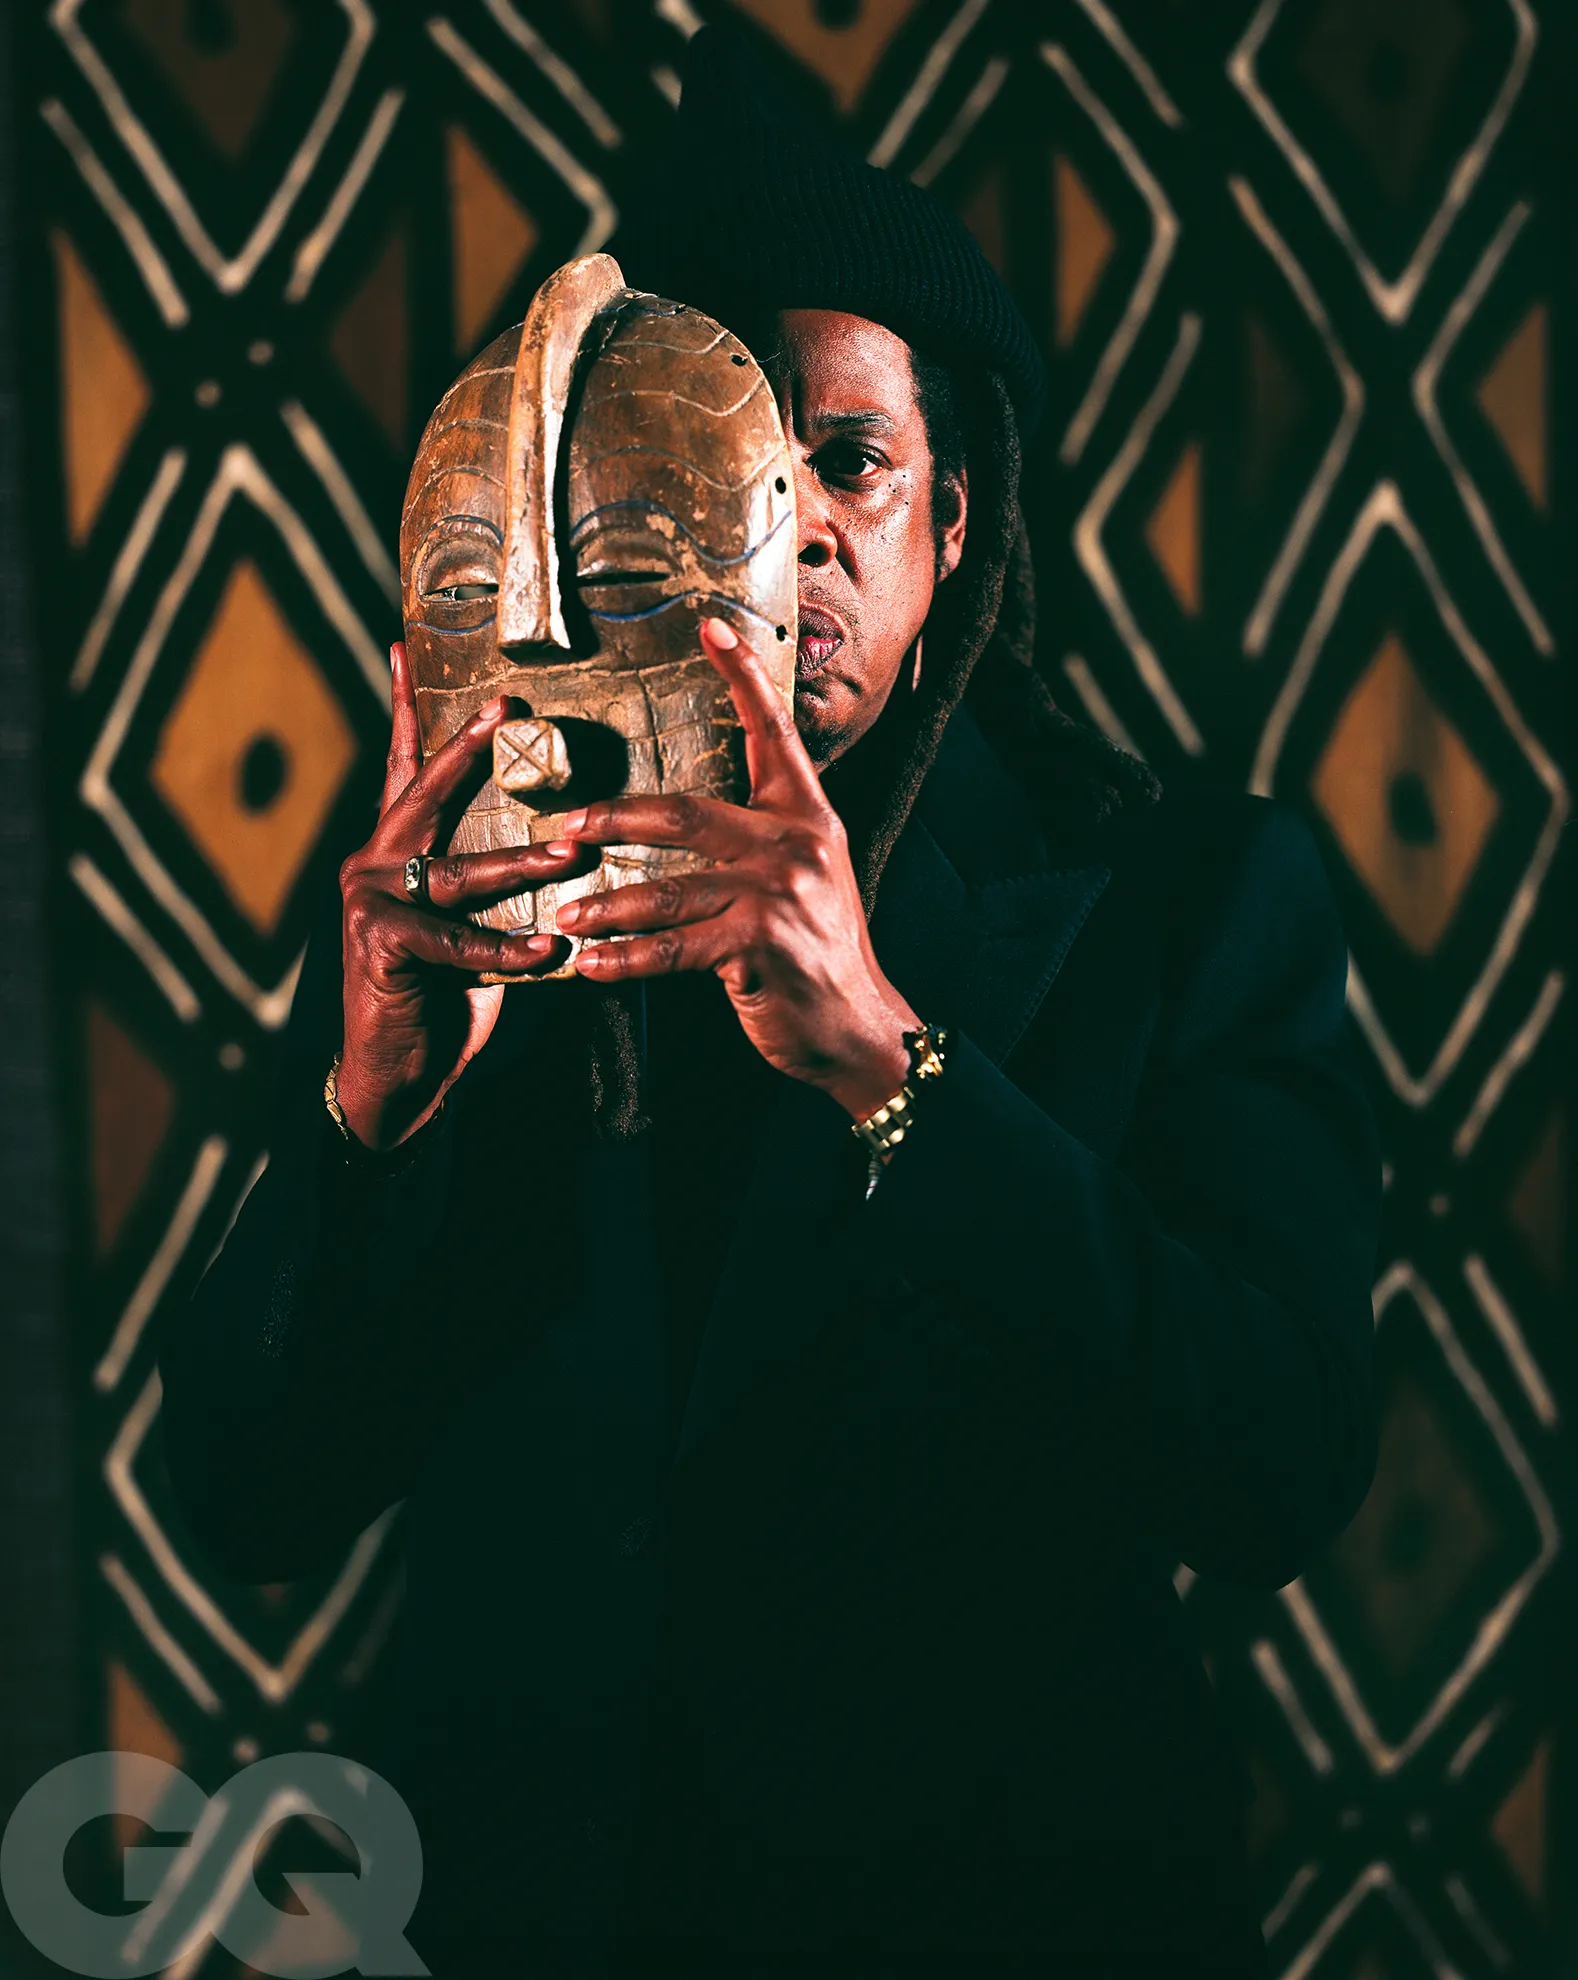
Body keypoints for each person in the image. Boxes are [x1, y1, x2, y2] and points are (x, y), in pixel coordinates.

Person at [158, 27, 1381, 1980]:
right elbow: (244, 1498)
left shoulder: (1186, 899)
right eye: (709, 469)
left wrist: (894, 1071)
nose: (785, 524)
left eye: (849, 461)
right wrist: (365, 1120)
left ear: (955, 514)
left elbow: (1281, 1465)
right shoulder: (492, 899)